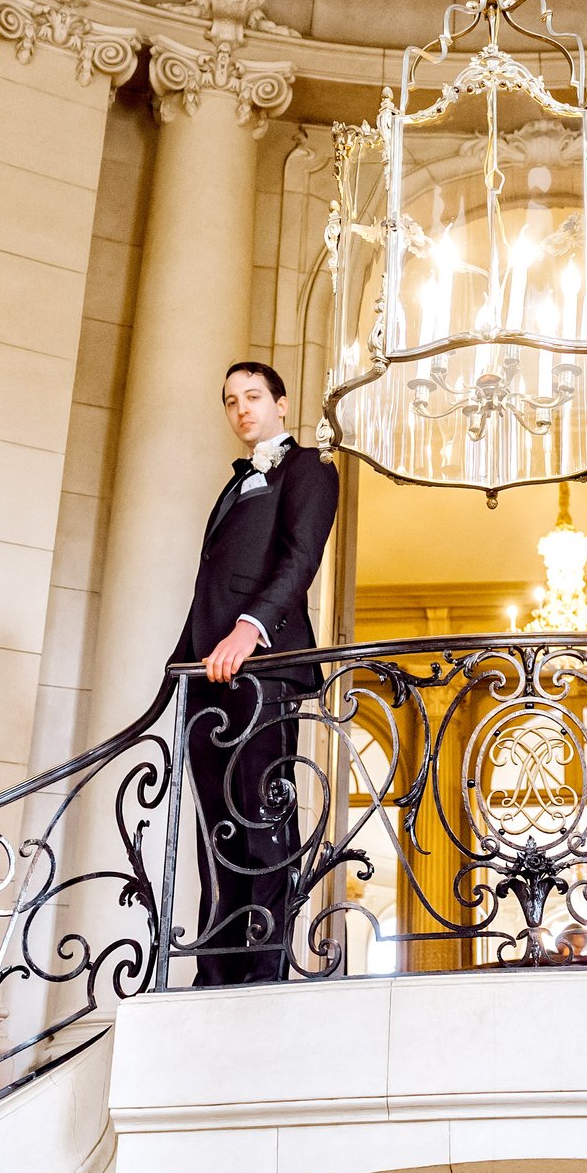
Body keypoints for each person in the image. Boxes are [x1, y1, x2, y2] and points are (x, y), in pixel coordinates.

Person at [171, 361, 339, 986]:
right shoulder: (235, 481)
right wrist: (182, 660)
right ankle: (216, 972)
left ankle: (263, 973)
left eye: (253, 397)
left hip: (263, 667)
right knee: (216, 829)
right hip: (207, 674)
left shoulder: (310, 468)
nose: (242, 409)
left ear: (281, 405)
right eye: (230, 401)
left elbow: (300, 559)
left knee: (262, 819)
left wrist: (250, 628)